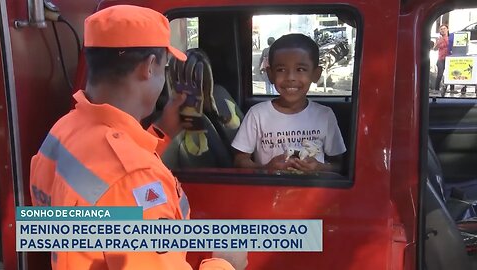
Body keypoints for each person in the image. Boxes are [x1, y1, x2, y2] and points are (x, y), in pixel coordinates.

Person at [29, 5, 246, 270]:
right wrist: (225, 263)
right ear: (149, 66)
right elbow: (123, 178)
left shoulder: (64, 130)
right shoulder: (134, 179)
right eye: (165, 66)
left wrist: (162, 131)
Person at [232, 33, 346, 173]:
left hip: (311, 194)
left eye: (300, 69)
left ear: (316, 74)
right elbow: (240, 160)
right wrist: (266, 169)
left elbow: (339, 165)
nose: (291, 77)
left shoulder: (325, 115)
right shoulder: (257, 114)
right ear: (270, 74)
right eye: (281, 70)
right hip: (269, 192)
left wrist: (319, 168)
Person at [433, 24, 452, 92]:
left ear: (447, 29)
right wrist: (438, 43)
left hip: (450, 59)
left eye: (444, 28)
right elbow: (434, 49)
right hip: (441, 59)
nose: (443, 30)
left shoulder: (451, 38)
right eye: (441, 29)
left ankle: (451, 89)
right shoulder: (439, 39)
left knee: (451, 74)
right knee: (440, 74)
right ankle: (436, 89)